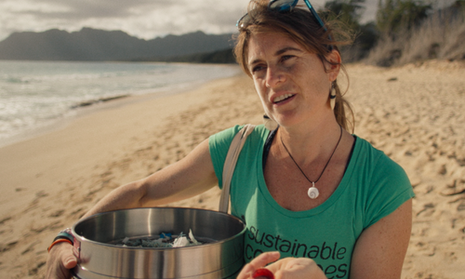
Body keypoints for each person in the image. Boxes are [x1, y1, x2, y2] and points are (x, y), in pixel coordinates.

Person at [46, 0, 414, 278]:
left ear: (331, 64)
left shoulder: (381, 185)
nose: (272, 79)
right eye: (259, 68)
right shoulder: (236, 149)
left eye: (287, 58)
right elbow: (141, 192)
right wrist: (66, 238)